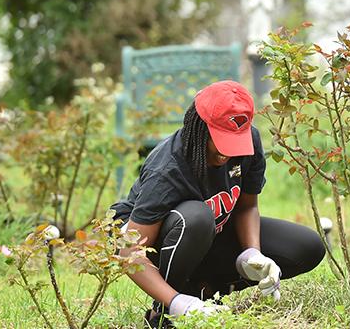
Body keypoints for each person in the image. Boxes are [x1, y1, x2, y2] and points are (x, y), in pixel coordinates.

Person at [111, 80, 325, 327]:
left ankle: (206, 291)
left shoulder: (248, 145)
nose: (227, 154)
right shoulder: (167, 169)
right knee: (197, 217)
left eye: (235, 143)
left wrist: (251, 253)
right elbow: (129, 251)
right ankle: (167, 311)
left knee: (307, 247)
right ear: (200, 128)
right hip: (162, 244)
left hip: (212, 235)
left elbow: (247, 207)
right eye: (221, 142)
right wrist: (177, 301)